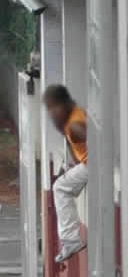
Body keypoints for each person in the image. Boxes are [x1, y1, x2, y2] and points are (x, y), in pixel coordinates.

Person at [45, 84, 88, 263]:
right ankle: (71, 241)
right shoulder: (75, 115)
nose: (51, 113)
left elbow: (92, 140)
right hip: (89, 164)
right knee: (64, 184)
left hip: (94, 165)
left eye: (53, 107)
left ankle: (71, 241)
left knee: (60, 187)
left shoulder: (74, 124)